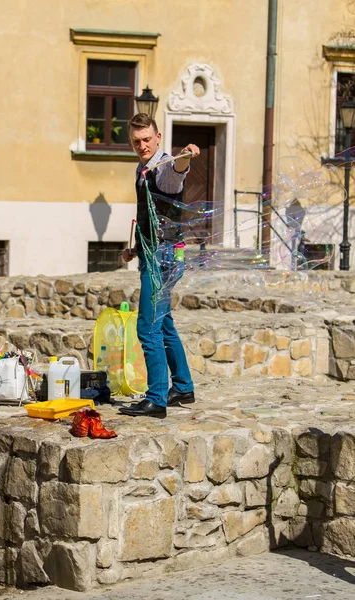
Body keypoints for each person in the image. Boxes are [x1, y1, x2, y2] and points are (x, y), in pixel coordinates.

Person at [119, 113, 200, 418]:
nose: (142, 145)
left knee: (147, 326)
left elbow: (176, 173)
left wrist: (186, 157)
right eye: (136, 141)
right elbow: (153, 217)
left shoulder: (164, 166)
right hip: (157, 252)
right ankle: (182, 386)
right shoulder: (143, 168)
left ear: (158, 137)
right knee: (163, 322)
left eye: (146, 139)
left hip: (163, 258)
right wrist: (135, 250)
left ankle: (156, 399)